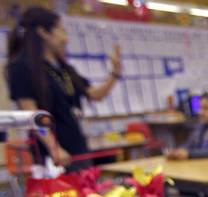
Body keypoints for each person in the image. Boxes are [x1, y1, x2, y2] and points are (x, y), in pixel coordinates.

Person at [6, 6, 122, 171]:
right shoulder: (22, 67)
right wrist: (54, 147)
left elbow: (95, 94)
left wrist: (115, 73)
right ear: (43, 32)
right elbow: (31, 114)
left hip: (77, 148)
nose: (66, 38)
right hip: (52, 156)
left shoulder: (64, 69)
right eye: (60, 31)